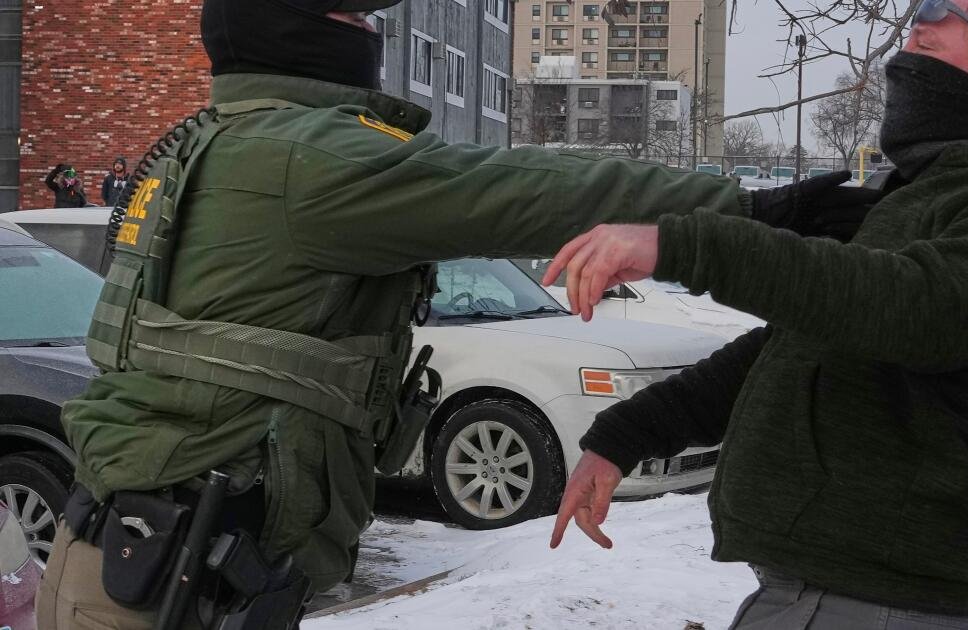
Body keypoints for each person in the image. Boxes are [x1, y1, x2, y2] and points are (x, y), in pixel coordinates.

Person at [33, 1, 869, 628]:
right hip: (161, 581)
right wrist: (752, 212)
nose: (369, 31)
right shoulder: (308, 158)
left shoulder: (215, 137)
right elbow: (527, 191)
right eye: (350, 15)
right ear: (289, 28)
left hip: (150, 555)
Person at [545, 0, 968, 627]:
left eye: (958, 10)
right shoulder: (936, 192)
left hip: (873, 602)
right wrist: (627, 435)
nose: (924, 16)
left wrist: (685, 246)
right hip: (830, 595)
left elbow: (913, 309)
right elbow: (803, 346)